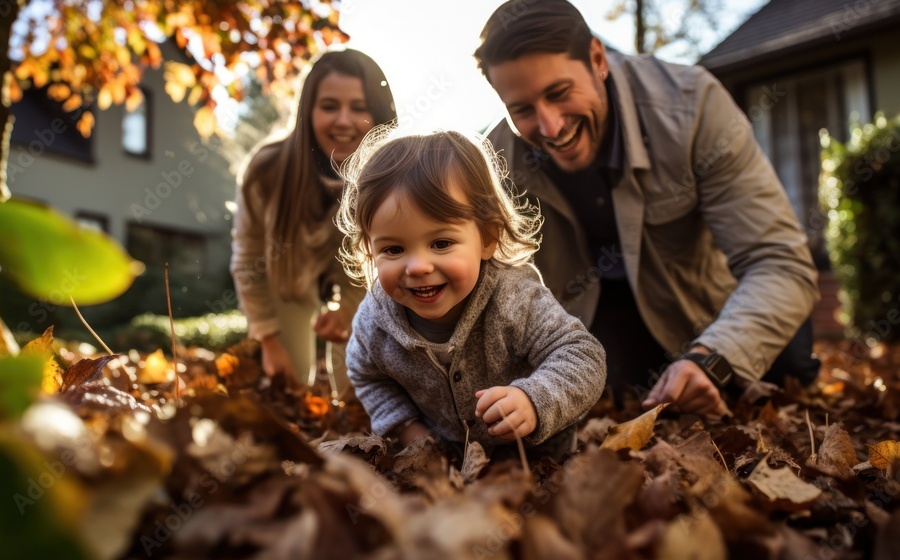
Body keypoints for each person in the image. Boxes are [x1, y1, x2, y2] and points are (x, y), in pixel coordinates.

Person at [474, 0, 821, 415]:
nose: (550, 127)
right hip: (599, 318)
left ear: (597, 59)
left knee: (783, 371)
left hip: (707, 304)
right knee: (617, 390)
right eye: (522, 110)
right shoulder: (494, 164)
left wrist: (713, 357)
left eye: (559, 93)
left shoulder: (694, 106)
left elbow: (781, 263)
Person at [336, 129, 606, 460]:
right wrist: (408, 430)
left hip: (538, 460)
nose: (418, 266)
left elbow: (582, 355)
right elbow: (367, 376)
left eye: (441, 243)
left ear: (488, 237)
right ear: (369, 249)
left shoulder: (514, 298)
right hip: (448, 464)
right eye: (393, 249)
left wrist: (534, 399)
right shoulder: (375, 321)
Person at [231, 49, 397, 394]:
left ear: (378, 113)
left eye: (359, 107)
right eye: (329, 106)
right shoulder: (266, 170)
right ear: (308, 111)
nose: (343, 121)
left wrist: (348, 310)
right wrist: (270, 341)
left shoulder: (395, 175)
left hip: (361, 284)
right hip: (287, 281)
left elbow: (387, 261)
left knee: (358, 390)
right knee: (288, 382)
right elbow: (249, 263)